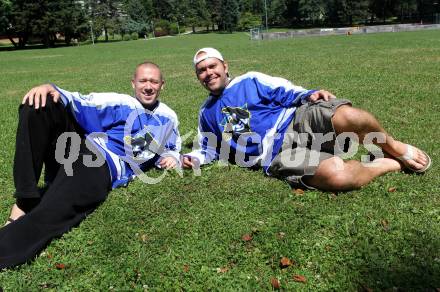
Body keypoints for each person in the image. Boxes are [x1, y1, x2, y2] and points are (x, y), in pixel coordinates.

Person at [0, 61, 181, 269]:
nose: (148, 86)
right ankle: (25, 199)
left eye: (154, 81)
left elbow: (172, 145)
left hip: (101, 164)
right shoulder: (121, 103)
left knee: (54, 207)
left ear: (162, 85)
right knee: (40, 105)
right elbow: (82, 101)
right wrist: (51, 89)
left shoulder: (169, 118)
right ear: (133, 83)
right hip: (76, 147)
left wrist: (173, 157)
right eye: (143, 81)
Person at [182, 48, 431, 191]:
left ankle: (396, 147)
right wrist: (194, 158)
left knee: (349, 115)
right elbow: (209, 147)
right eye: (201, 71)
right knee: (337, 176)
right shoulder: (206, 113)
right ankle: (388, 164)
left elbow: (287, 91)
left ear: (225, 66)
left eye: (212, 66)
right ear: (197, 77)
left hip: (295, 122)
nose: (208, 73)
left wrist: (309, 94)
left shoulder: (250, 80)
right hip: (275, 156)